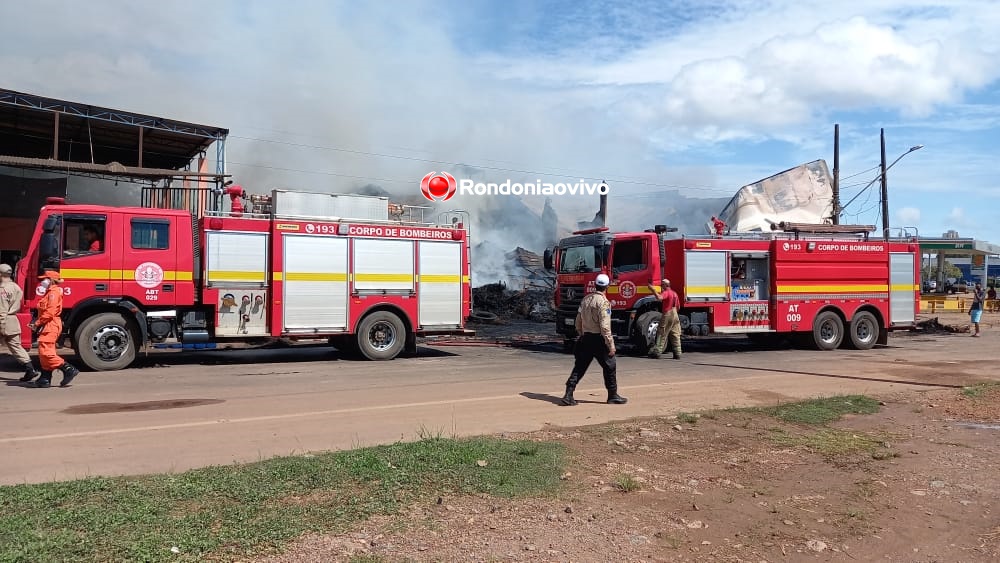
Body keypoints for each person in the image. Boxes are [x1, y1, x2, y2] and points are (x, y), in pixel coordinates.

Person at [560, 273, 627, 406]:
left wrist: (581, 334)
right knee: (610, 366)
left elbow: (578, 320)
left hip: (586, 338)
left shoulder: (585, 299)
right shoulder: (603, 303)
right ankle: (612, 395)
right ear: (606, 287)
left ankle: (568, 394)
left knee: (579, 367)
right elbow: (605, 327)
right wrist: (611, 345)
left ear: (595, 285)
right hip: (599, 340)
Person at [29, 271, 80, 388]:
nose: (42, 281)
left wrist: (37, 323)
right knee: (45, 352)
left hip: (51, 324)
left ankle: (68, 369)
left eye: (45, 279)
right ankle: (45, 378)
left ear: (51, 280)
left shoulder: (54, 293)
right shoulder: (50, 292)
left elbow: (50, 312)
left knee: (45, 352)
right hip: (48, 324)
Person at [1, 263, 41, 382]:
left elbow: (2, 310)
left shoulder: (2, 289)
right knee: (16, 346)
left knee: (15, 346)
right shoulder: (16, 287)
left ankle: (30, 370)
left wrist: (2, 326)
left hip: (4, 321)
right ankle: (30, 369)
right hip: (13, 320)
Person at [648, 278, 682, 359]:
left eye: (662, 285)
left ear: (666, 285)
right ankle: (677, 353)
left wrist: (652, 290)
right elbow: (678, 307)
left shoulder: (666, 292)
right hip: (675, 315)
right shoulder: (674, 293)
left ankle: (657, 352)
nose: (661, 286)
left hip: (667, 314)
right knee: (675, 334)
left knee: (662, 333)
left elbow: (659, 298)